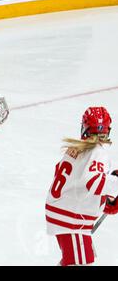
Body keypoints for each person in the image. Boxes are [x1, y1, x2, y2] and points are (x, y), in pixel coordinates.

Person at [45, 106, 118, 266]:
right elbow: (93, 181)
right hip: (71, 218)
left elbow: (77, 183)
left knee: (77, 260)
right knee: (81, 262)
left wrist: (106, 200)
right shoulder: (98, 152)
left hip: (64, 212)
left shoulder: (77, 147)